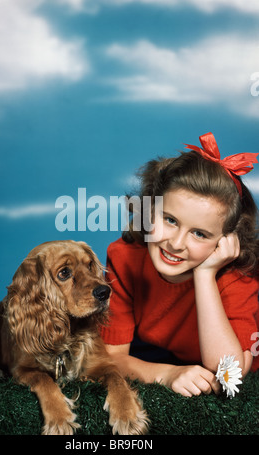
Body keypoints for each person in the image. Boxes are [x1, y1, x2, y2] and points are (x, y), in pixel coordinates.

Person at [101, 132, 259, 397]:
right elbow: (109, 358)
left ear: (226, 241)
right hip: (161, 354)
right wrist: (167, 374)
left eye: (200, 234)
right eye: (170, 220)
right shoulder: (124, 257)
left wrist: (206, 274)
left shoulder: (236, 276)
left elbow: (229, 376)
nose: (175, 243)